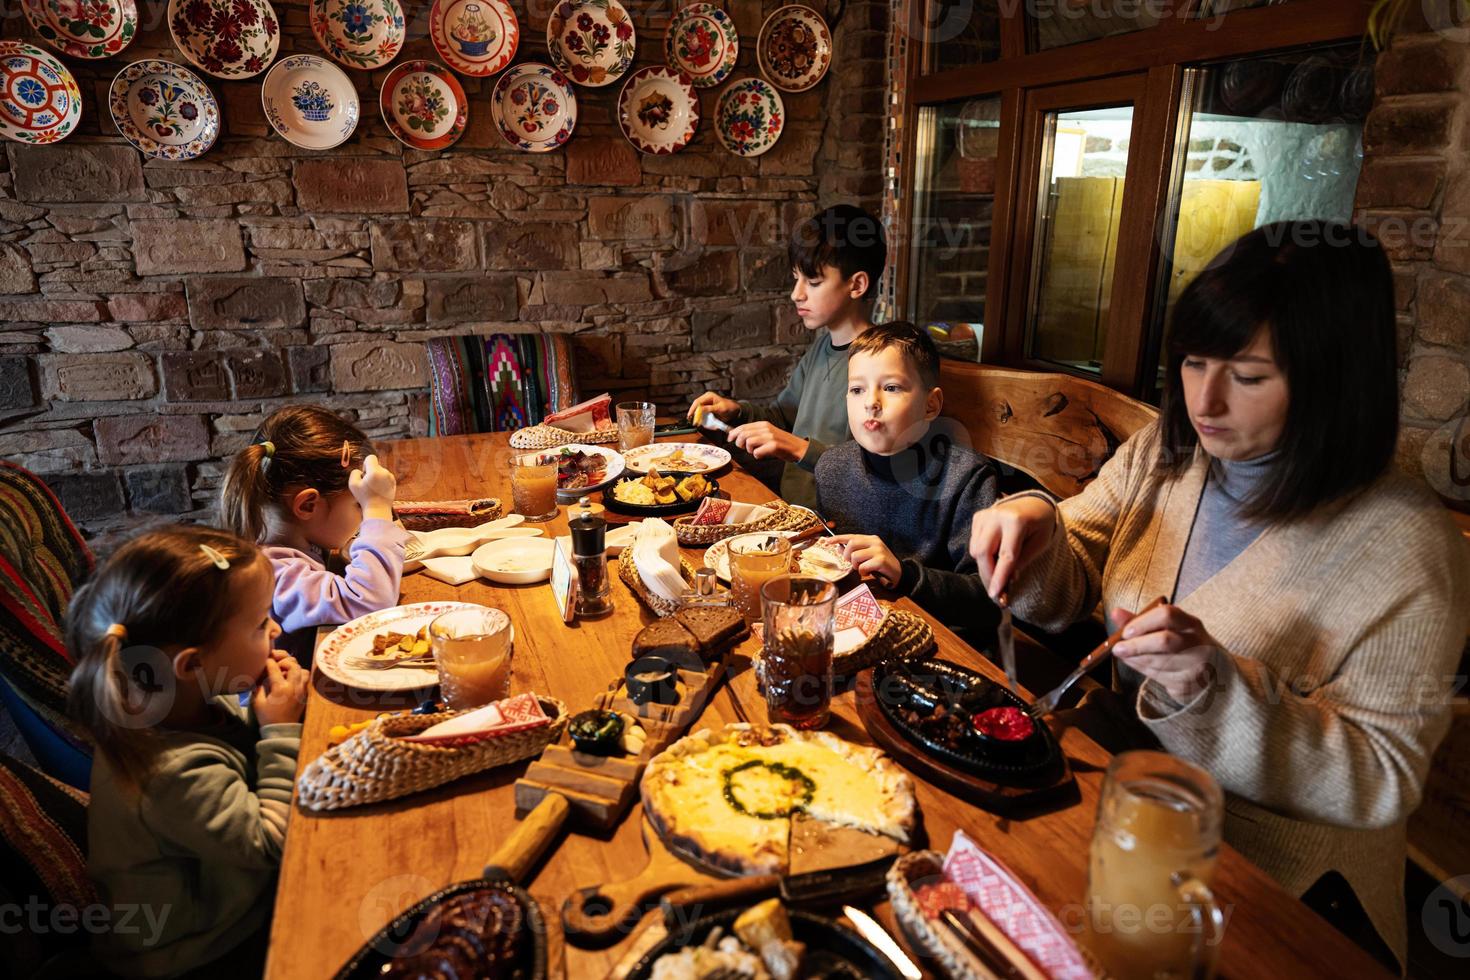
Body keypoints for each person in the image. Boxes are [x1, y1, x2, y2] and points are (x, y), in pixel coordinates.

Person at [968, 221, 1470, 972]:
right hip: (1120, 800)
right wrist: (1039, 521)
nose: (1204, 399)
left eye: (1249, 375)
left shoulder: (1404, 546)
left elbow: (1382, 776)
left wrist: (1214, 686)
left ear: (1334, 376)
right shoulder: (1171, 455)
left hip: (1273, 884)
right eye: (1194, 361)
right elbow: (1080, 555)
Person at [66, 525, 308, 978]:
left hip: (234, 900)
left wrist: (264, 717)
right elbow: (273, 842)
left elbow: (241, 770)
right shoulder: (168, 771)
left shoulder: (191, 700)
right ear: (192, 663)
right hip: (202, 953)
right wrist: (280, 730)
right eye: (259, 624)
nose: (275, 628)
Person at [687, 204, 887, 508]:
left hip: (842, 524)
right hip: (792, 509)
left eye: (813, 282)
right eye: (796, 279)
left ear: (856, 284)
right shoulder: (821, 349)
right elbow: (785, 417)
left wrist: (799, 449)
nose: (797, 294)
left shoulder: (884, 362)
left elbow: (879, 472)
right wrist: (736, 412)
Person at [815, 321, 1000, 638]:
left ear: (931, 405)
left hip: (943, 640)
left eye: (891, 388)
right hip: (855, 629)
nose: (871, 402)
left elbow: (988, 601)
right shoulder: (831, 467)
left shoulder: (966, 479)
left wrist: (905, 574)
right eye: (857, 389)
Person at [220, 405, 408, 659]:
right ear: (308, 505)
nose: (363, 515)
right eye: (357, 505)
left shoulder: (291, 545)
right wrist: (376, 509)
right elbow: (370, 599)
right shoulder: (271, 577)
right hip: (293, 696)